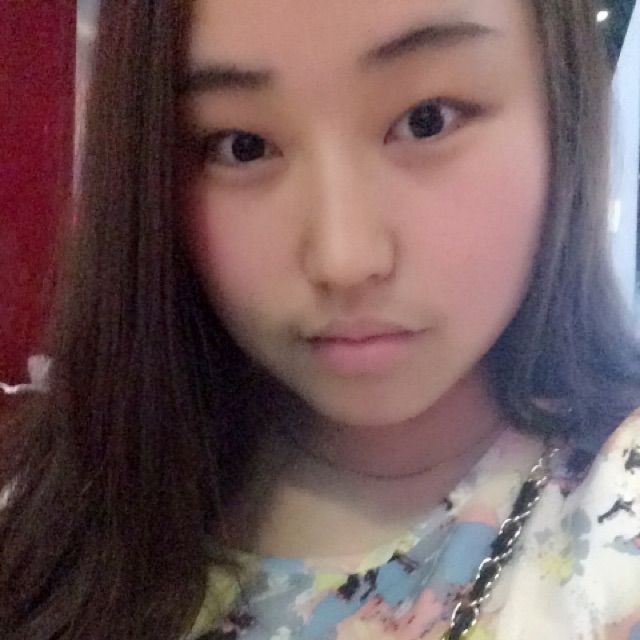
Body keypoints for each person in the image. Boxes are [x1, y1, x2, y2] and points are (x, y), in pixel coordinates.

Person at [1, 0, 640, 638]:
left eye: (427, 120)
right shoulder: (55, 510)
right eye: (243, 147)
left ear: (561, 110)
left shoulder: (616, 518)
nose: (344, 259)